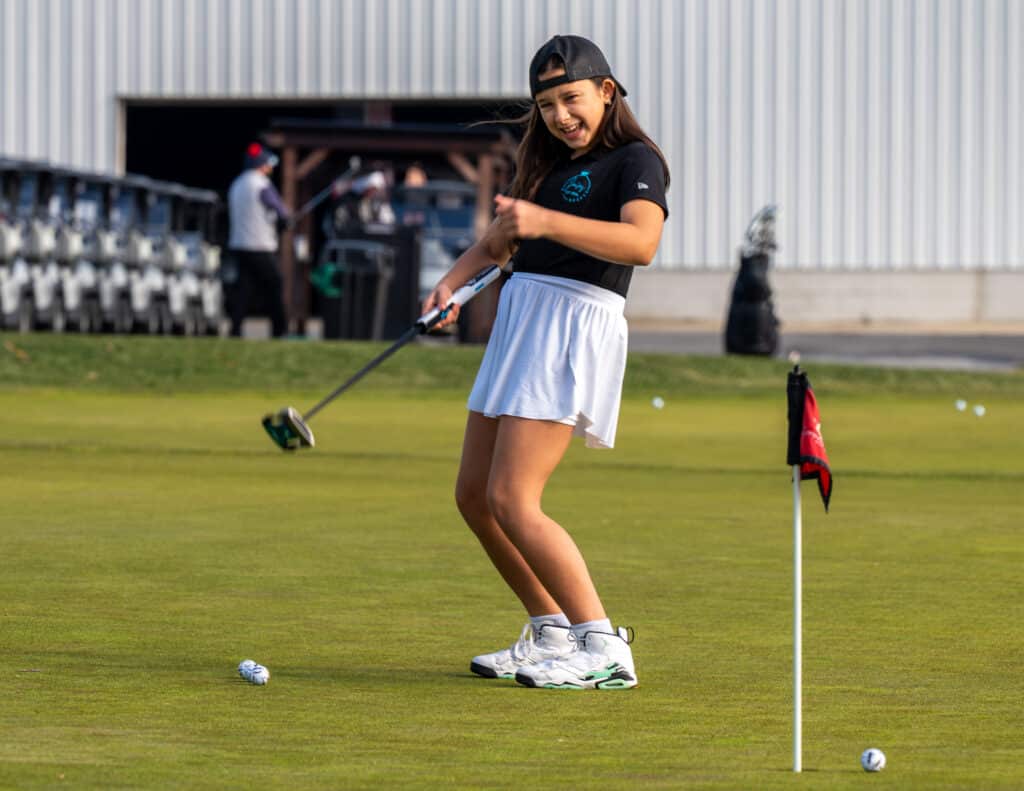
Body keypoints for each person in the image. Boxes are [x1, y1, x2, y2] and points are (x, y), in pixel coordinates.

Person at [421, 35, 669, 690]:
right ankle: (552, 629)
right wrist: (449, 286)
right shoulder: (544, 165)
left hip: (572, 325)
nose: (561, 115)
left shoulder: (635, 160)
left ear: (606, 92)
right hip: (522, 322)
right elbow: (497, 243)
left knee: (513, 497)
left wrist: (545, 222)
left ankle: (604, 647)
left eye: (571, 98)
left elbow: (641, 242)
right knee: (474, 496)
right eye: (548, 105)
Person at [226, 142, 291, 337]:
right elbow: (280, 211)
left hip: (239, 244)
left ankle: (235, 329)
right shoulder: (261, 184)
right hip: (260, 245)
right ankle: (280, 330)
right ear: (261, 165)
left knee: (243, 289)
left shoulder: (236, 184)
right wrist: (286, 220)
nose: (270, 168)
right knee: (275, 284)